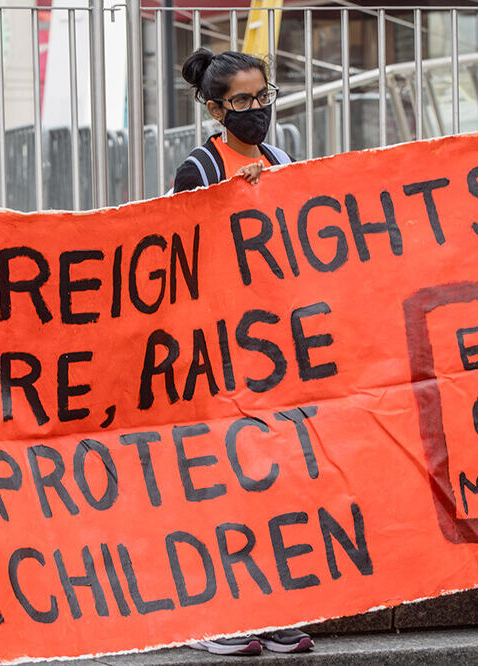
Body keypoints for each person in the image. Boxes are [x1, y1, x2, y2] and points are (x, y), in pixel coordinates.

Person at [171, 47, 311, 656]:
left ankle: (272, 608)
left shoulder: (282, 159)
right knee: (224, 480)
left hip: (273, 345)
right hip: (215, 348)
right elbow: (179, 254)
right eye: (242, 102)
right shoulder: (197, 169)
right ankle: (215, 620)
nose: (256, 110)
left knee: (274, 478)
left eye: (263, 97)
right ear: (213, 107)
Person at [173, 48, 294, 194]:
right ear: (215, 110)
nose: (257, 106)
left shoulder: (284, 162)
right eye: (242, 100)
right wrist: (233, 191)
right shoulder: (198, 172)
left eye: (263, 96)